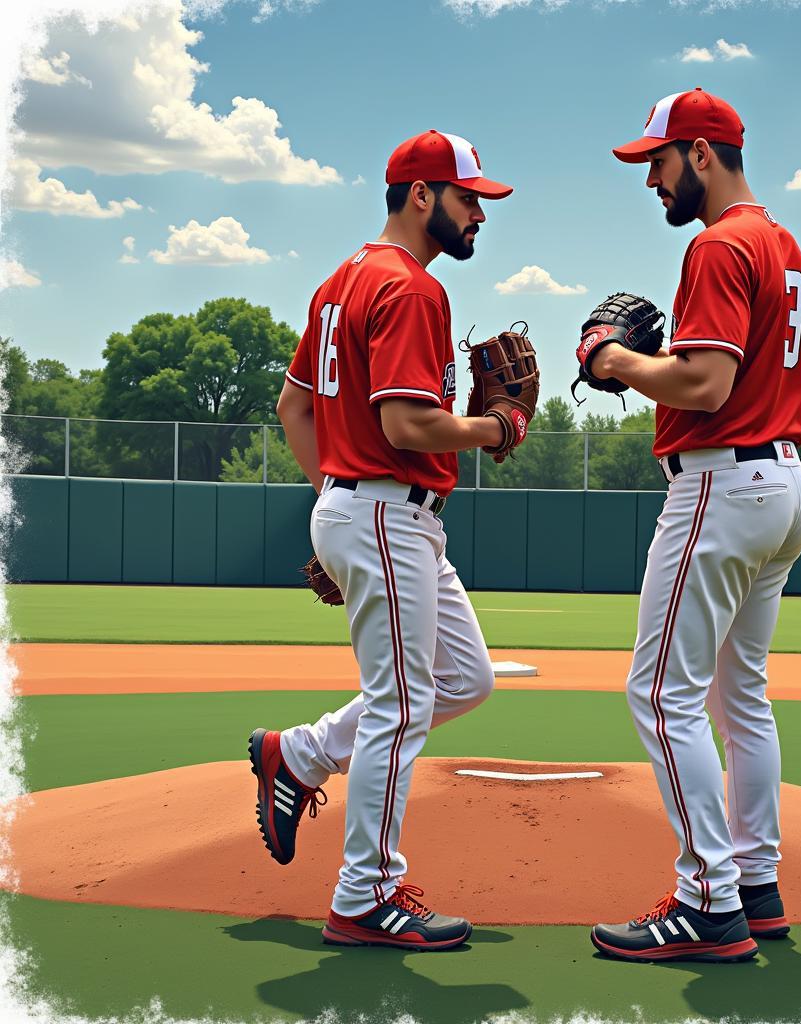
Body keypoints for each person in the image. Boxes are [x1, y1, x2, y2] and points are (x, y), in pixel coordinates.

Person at [250, 130, 520, 951]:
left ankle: (298, 756)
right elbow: (407, 423)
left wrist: (333, 492)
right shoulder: (408, 288)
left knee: (463, 679)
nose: (479, 215)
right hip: (384, 511)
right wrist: (496, 424)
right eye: (469, 199)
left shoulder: (340, 285)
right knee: (403, 706)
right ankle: (363, 896)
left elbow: (294, 410)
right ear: (420, 196)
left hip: (372, 510)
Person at [585, 89, 801, 963]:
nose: (651, 178)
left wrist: (613, 360)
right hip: (784, 481)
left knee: (659, 694)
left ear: (703, 155)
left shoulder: (719, 246)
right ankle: (755, 883)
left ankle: (708, 901)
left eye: (659, 159)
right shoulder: (786, 249)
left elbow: (706, 383)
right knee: (739, 696)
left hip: (721, 485)